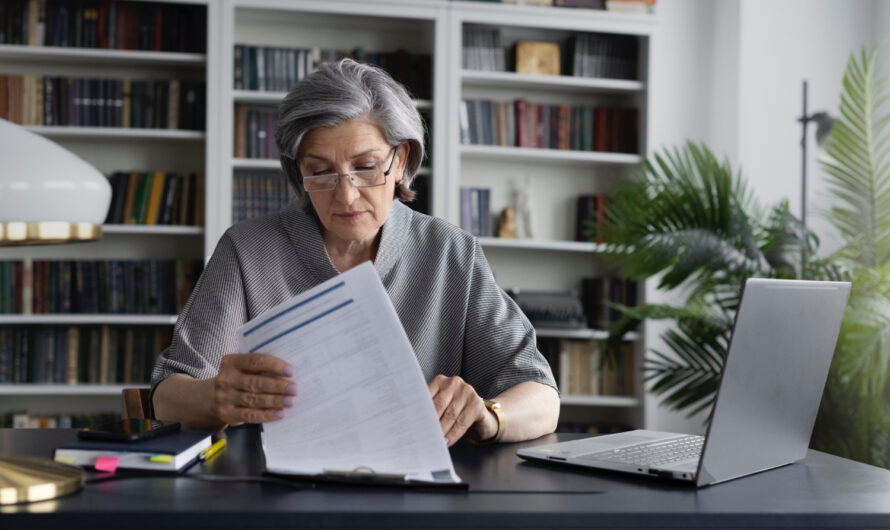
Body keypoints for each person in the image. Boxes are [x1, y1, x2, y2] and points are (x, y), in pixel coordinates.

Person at [151, 59, 559, 446]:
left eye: (366, 166)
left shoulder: (451, 252)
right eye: (321, 171)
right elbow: (167, 395)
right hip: (273, 490)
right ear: (299, 172)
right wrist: (215, 398)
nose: (345, 196)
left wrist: (488, 416)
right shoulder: (247, 250)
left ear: (400, 161)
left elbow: (542, 397)